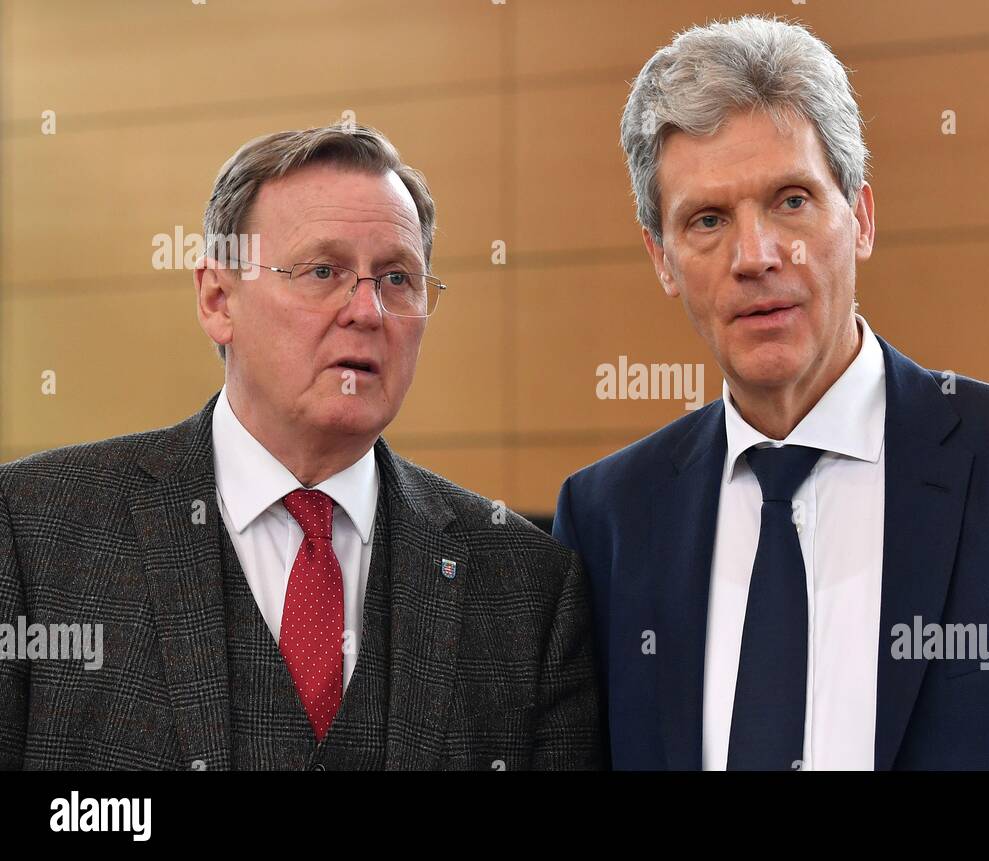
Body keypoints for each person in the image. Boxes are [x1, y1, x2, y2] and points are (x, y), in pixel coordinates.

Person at [552, 16, 989, 771]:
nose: (754, 256)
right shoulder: (608, 522)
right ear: (662, 259)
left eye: (791, 200)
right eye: (708, 219)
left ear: (860, 219)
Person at [0, 124, 601, 770]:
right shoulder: (35, 530)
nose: (368, 311)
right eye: (323, 270)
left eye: (398, 278)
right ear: (217, 298)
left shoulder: (529, 585)